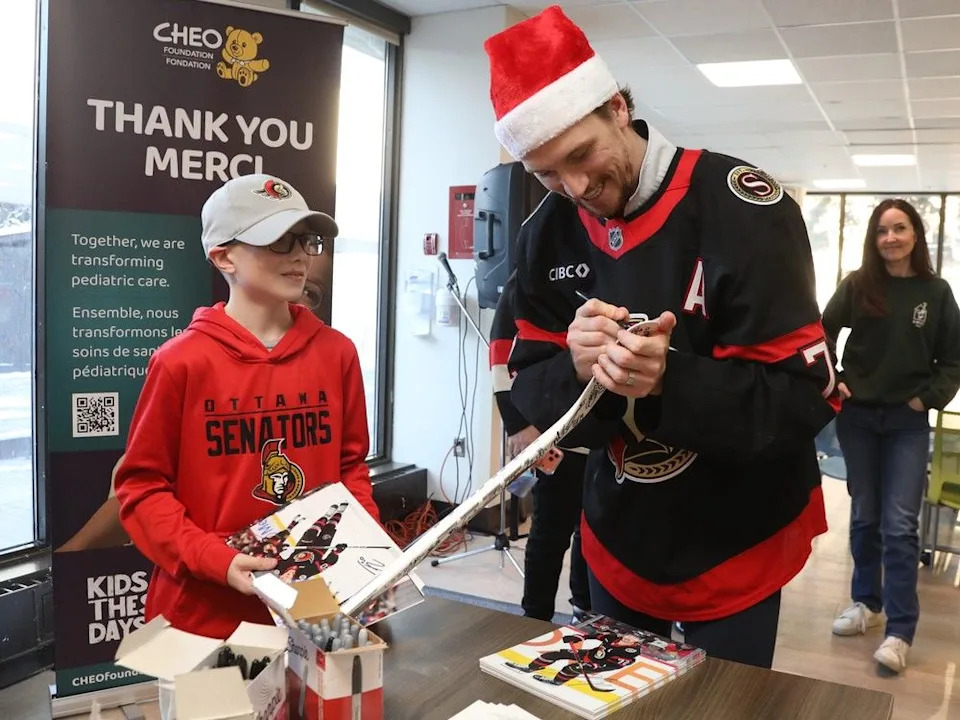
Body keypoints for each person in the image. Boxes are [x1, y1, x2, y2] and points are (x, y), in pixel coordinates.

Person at [483, 6, 840, 669]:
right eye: (548, 173)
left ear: (617, 107)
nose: (578, 187)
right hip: (619, 538)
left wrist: (669, 378)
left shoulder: (746, 210)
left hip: (738, 538)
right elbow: (531, 380)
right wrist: (577, 368)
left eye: (582, 155)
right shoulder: (545, 234)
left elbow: (804, 399)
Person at [114, 173, 379, 639]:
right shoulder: (181, 363)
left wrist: (366, 552)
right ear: (223, 256)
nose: (299, 255)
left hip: (314, 601)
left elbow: (349, 466)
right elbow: (141, 491)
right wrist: (217, 559)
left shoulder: (337, 353)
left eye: (306, 239)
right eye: (278, 240)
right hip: (205, 611)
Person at [822, 198, 960, 672]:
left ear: (915, 235)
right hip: (857, 418)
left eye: (899, 229)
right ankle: (867, 604)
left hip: (906, 422)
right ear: (873, 238)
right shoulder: (859, 285)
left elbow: (954, 359)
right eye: (882, 231)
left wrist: (928, 397)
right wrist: (834, 377)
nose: (891, 238)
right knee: (863, 518)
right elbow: (819, 331)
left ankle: (900, 630)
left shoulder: (936, 292)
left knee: (900, 526)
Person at [491, 271, 592, 622]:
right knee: (549, 534)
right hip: (554, 436)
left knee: (594, 535)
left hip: (604, 435)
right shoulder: (534, 269)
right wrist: (518, 424)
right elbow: (502, 351)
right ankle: (533, 619)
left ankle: (586, 612)